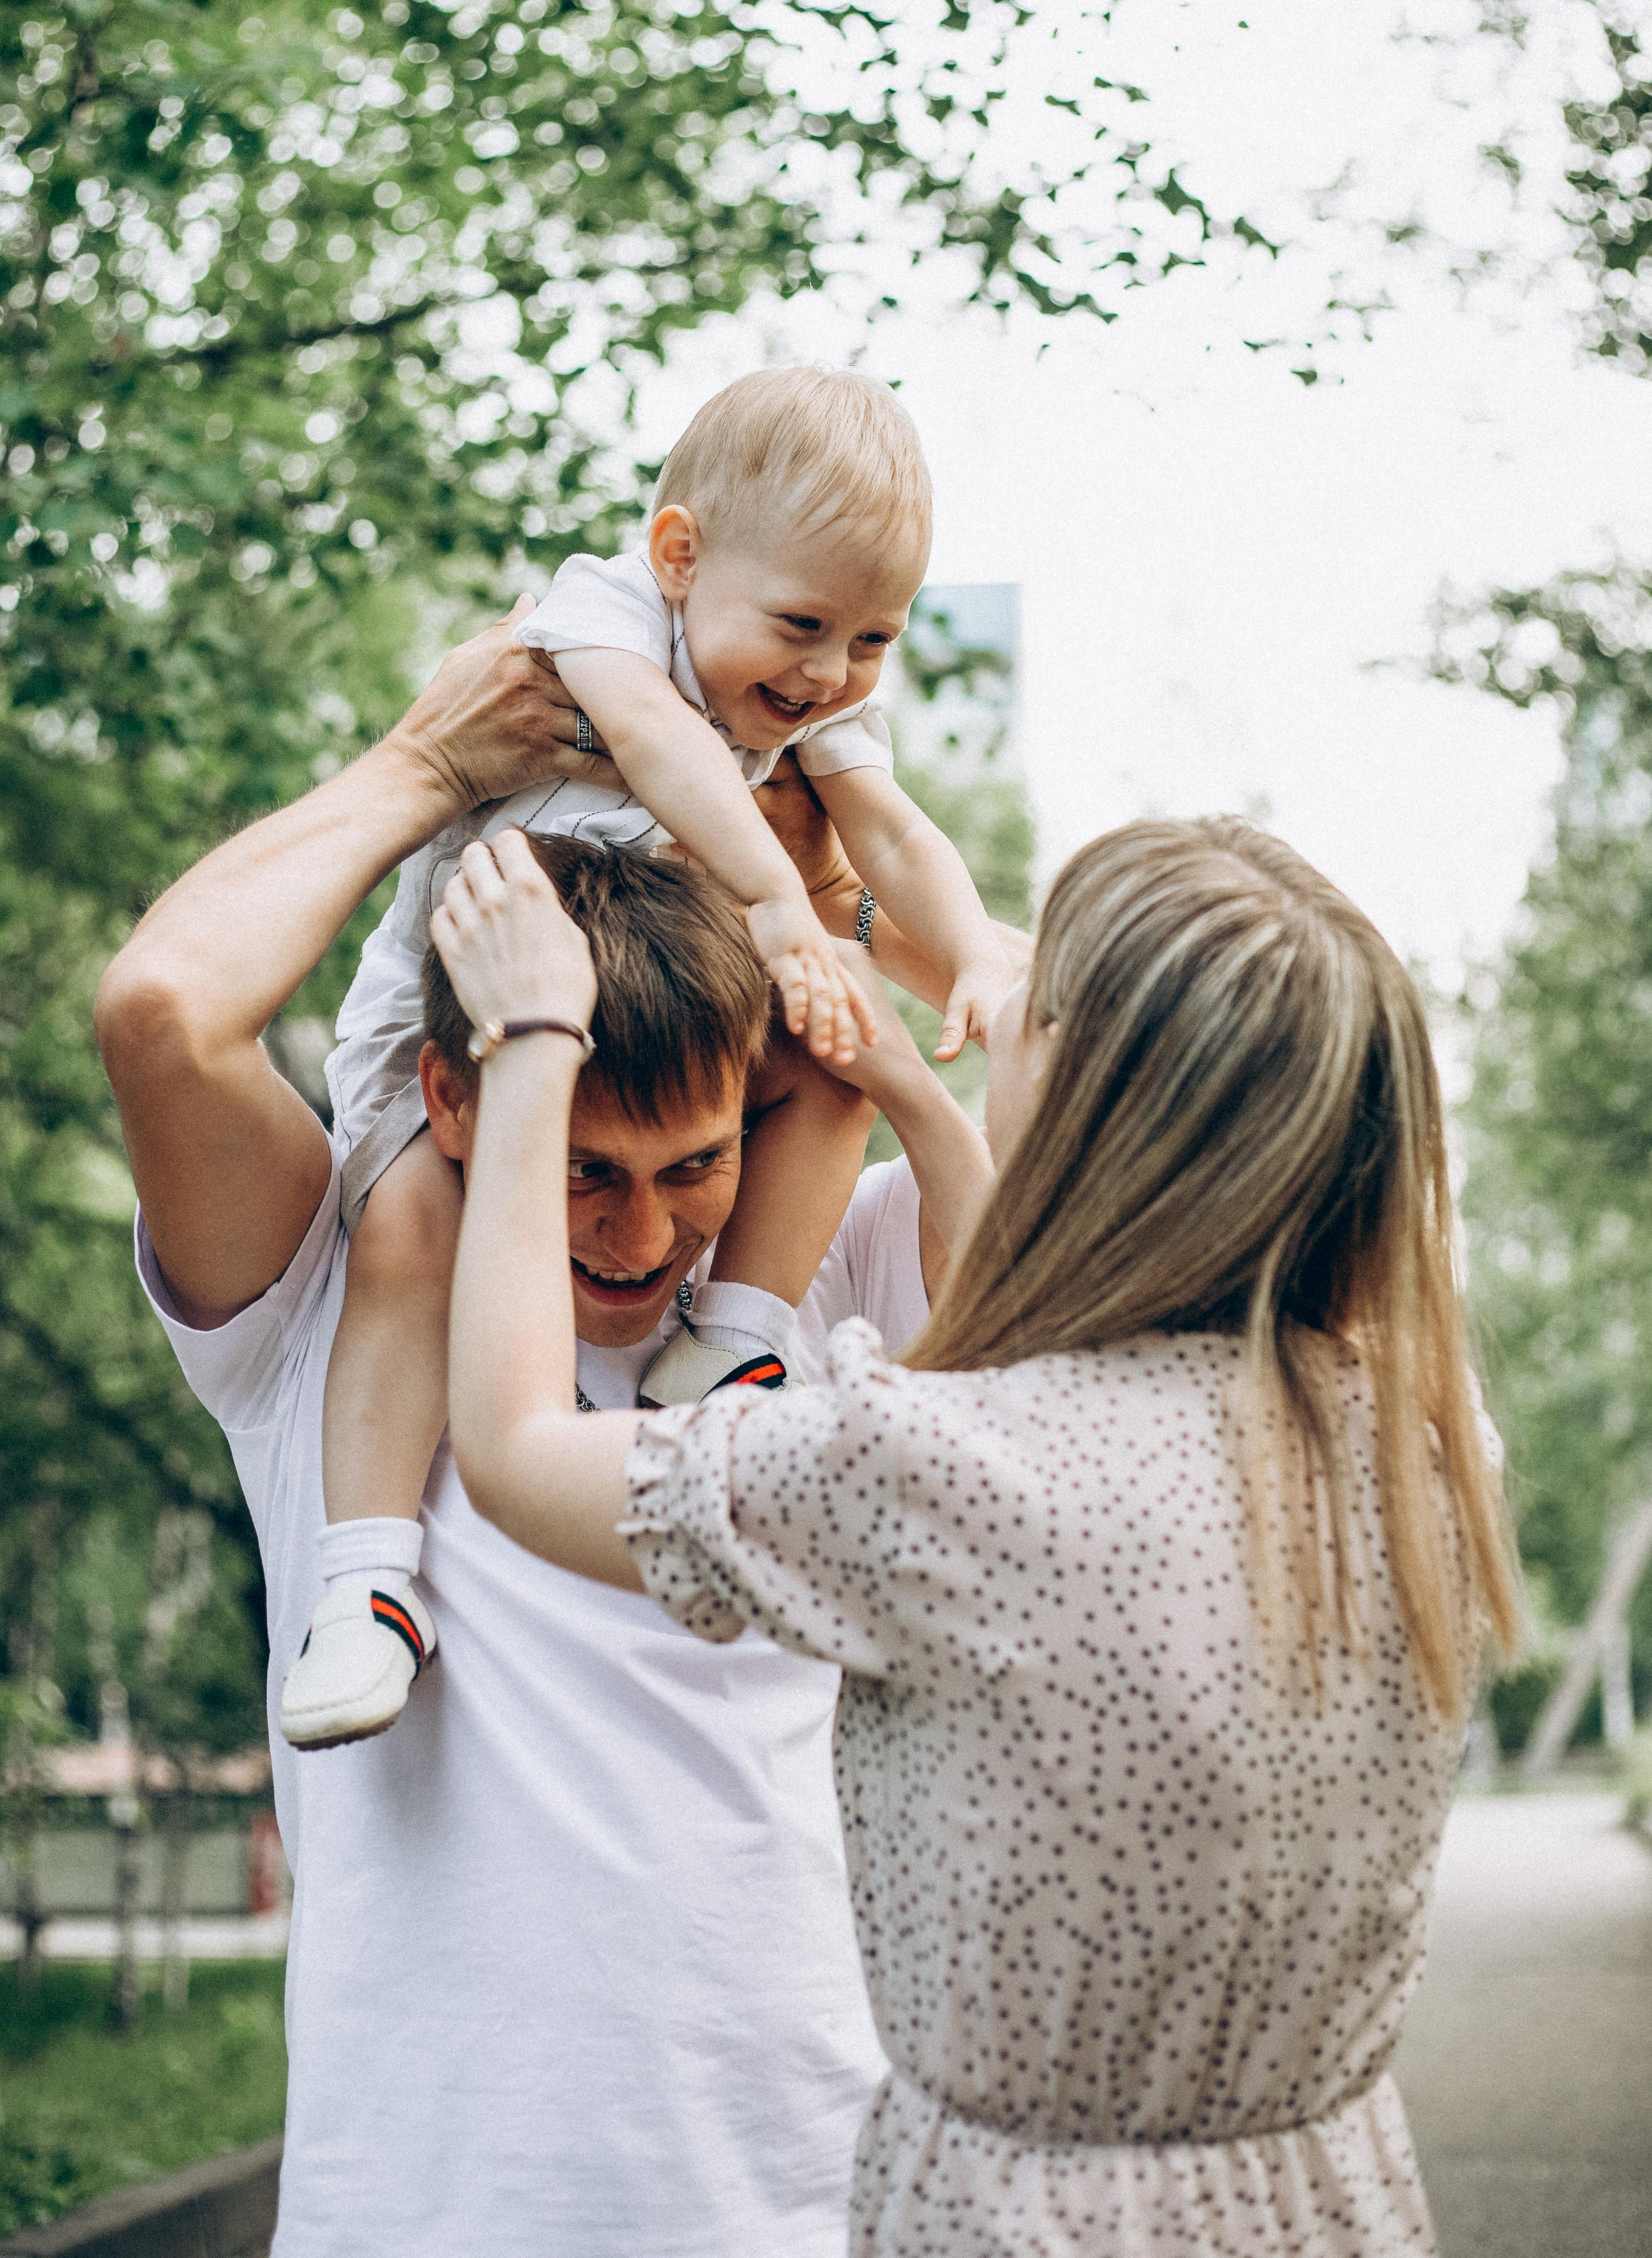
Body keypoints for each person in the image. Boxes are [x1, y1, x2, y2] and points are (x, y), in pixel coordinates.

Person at [431, 815, 1523, 2258]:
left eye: (1026, 992)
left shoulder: (944, 1476)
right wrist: (904, 1077)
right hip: (1331, 2207)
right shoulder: (1427, 1450)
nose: (986, 999)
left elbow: (516, 1451)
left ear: (1075, 1091)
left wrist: (529, 1044)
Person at [93, 613, 919, 2258]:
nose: (641, 1238)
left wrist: (815, 843)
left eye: (690, 1169)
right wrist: (426, 766)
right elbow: (163, 1012)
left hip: (804, 2209)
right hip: (424, 2218)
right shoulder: (334, 1307)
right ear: (457, 1101)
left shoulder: (818, 1278)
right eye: (583, 1172)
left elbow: (1076, 1101)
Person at [291, 365, 1013, 1749]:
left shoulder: (804, 696)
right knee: (408, 1233)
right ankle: (367, 1582)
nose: (828, 676)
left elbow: (894, 832)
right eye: (803, 627)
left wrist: (972, 949)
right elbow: (664, 754)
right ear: (680, 556)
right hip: (473, 1001)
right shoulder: (604, 615)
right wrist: (780, 906)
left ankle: (733, 1346)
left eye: (874, 639)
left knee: (836, 1057)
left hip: (660, 1014)